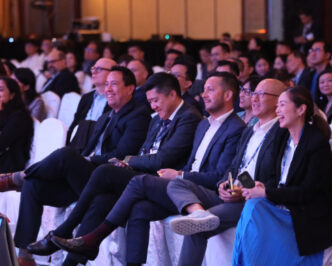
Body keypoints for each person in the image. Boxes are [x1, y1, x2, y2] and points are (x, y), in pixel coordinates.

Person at [50, 72, 246, 265]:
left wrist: (180, 175)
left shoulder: (232, 128)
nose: (203, 95)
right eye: (203, 90)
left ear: (228, 95)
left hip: (201, 191)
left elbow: (220, 176)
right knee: (136, 208)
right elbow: (182, 161)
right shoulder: (204, 125)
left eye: (210, 90)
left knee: (119, 176)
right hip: (178, 185)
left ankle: (89, 237)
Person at [27, 72, 202, 265]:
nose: (153, 106)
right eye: (150, 101)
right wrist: (133, 161)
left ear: (171, 94)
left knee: (104, 171)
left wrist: (129, 161)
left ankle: (64, 229)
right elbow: (145, 151)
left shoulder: (188, 117)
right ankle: (72, 261)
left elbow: (161, 159)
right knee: (102, 200)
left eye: (155, 100)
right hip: (141, 176)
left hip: (161, 182)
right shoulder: (158, 118)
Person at [6, 66, 151, 266]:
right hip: (87, 182)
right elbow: (87, 150)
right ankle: (25, 255)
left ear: (130, 88)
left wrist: (87, 161)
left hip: (109, 178)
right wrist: (83, 160)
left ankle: (15, 178)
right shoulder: (106, 116)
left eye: (114, 84)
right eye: (106, 84)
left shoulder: (138, 115)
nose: (108, 88)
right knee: (33, 184)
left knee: (66, 156)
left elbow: (122, 154)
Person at [166, 79, 287, 266]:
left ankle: (200, 219)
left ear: (279, 100)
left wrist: (244, 190)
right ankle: (199, 212)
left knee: (196, 229)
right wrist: (225, 183)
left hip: (253, 200)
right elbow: (234, 167)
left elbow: (274, 175)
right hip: (231, 193)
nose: (254, 99)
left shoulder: (281, 133)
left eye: (261, 94)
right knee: (176, 182)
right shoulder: (250, 130)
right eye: (253, 93)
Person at [232, 86, 332, 265]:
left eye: (282, 105)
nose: (277, 110)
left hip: (306, 214)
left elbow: (309, 193)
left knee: (253, 209)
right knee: (253, 205)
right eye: (277, 106)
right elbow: (276, 179)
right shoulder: (282, 137)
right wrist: (262, 187)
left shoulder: (316, 143)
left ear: (301, 109)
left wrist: (267, 193)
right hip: (282, 205)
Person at [66, 58, 116, 148]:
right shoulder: (86, 97)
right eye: (93, 68)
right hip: (78, 144)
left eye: (99, 69)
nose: (94, 72)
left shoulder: (115, 98)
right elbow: (74, 126)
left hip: (98, 147)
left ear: (112, 74)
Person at [0, 77, 33, 173]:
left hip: (10, 166)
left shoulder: (19, 116)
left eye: (1, 90)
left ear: (12, 95)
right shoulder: (5, 113)